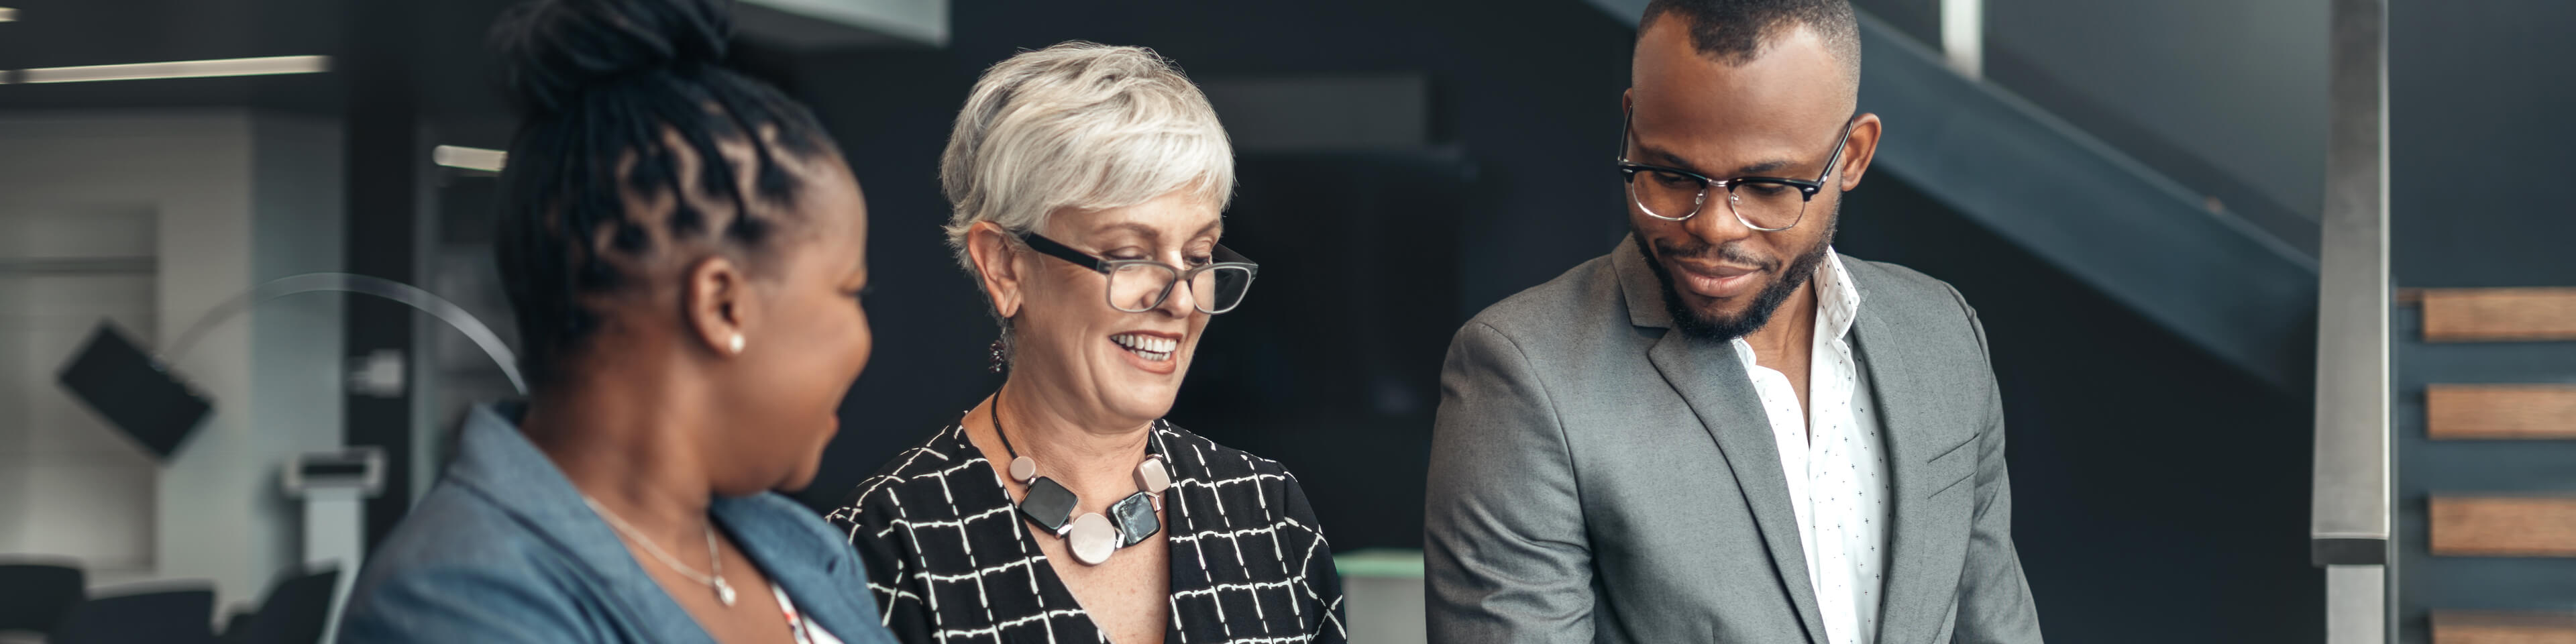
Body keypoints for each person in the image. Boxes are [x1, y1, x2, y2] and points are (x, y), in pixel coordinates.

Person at [1422, 1, 2044, 642]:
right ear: (1631, 126)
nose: (1713, 226)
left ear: (1853, 156)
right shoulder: (1525, 379)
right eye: (1668, 174)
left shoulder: (1943, 335)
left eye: (1767, 187)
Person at [335, 0, 895, 641]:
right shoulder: (458, 602)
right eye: (851, 290)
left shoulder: (803, 551)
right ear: (722, 305)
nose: (865, 337)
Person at [825, 42, 1348, 644]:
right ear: (1005, 267)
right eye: (1130, 257)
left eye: (1199, 256)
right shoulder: (885, 547)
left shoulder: (1267, 513)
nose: (1180, 300)